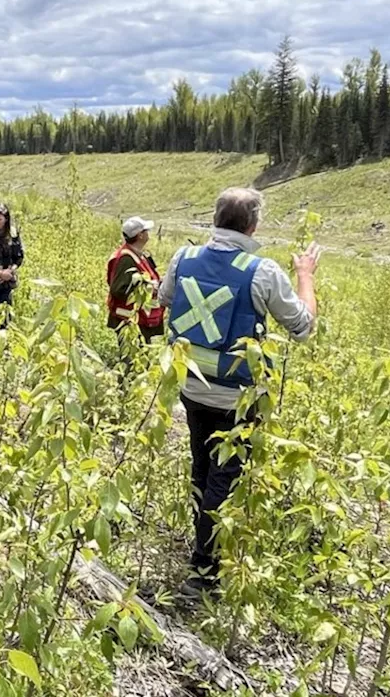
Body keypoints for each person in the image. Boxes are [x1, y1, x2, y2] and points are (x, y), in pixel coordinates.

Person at [158, 187, 320, 597]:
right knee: (223, 479)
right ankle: (204, 571)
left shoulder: (184, 257)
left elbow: (166, 300)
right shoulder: (263, 272)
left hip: (191, 385)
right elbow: (302, 327)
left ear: (215, 219)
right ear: (252, 225)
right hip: (238, 396)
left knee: (201, 467)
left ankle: (202, 551)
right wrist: (305, 275)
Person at [106, 216, 165, 341]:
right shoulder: (125, 259)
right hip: (130, 321)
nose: (148, 233)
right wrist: (149, 287)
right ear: (140, 236)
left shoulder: (139, 254)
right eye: (145, 231)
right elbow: (118, 289)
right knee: (132, 358)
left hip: (142, 319)